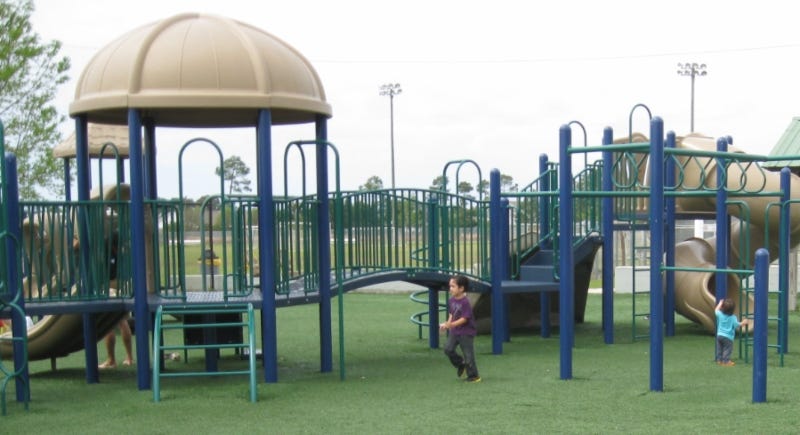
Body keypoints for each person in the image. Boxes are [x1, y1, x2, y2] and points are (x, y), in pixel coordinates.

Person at [439, 275, 481, 383]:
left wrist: (451, 325)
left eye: (453, 286)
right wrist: (447, 324)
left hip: (466, 332)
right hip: (455, 331)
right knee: (448, 349)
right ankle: (460, 364)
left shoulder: (465, 302)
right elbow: (451, 314)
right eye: (450, 286)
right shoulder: (451, 300)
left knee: (468, 355)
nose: (450, 289)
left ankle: (474, 376)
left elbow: (464, 319)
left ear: (461, 288)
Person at [715, 298, 749, 366]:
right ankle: (726, 361)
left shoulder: (720, 314)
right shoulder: (733, 317)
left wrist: (719, 304)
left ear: (722, 308)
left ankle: (719, 360)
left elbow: (716, 310)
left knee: (719, 348)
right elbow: (737, 325)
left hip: (719, 335)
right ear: (733, 310)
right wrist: (744, 322)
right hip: (728, 337)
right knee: (727, 349)